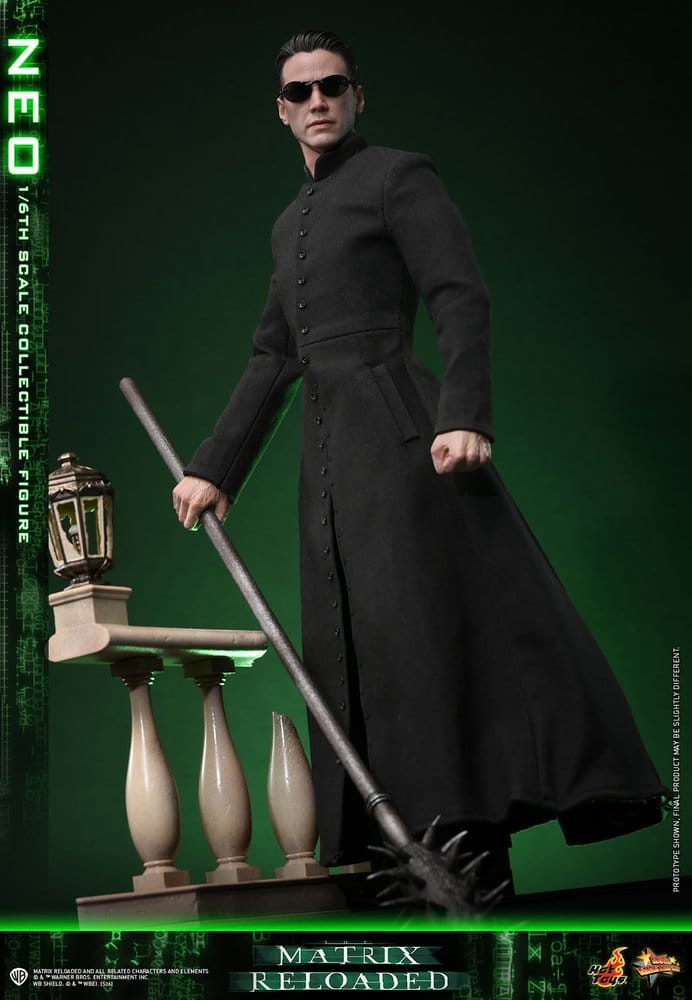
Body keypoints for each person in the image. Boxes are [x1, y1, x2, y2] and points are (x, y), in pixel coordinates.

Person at [172, 30, 670, 895]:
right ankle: (398, 864)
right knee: (360, 655)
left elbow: (457, 293)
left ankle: (472, 866)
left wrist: (464, 413)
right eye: (300, 92)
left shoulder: (398, 176)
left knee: (424, 647)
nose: (318, 101)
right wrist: (215, 467)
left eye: (333, 86)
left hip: (407, 445)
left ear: (358, 96)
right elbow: (273, 356)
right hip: (327, 473)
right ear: (281, 110)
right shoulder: (289, 224)